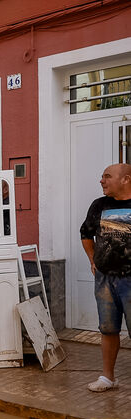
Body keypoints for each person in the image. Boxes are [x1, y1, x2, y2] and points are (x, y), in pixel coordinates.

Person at [80, 163, 131, 392]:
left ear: (126, 179)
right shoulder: (99, 205)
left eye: (107, 176)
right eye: (102, 176)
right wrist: (93, 260)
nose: (102, 181)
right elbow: (86, 233)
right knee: (108, 329)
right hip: (105, 280)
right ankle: (108, 378)